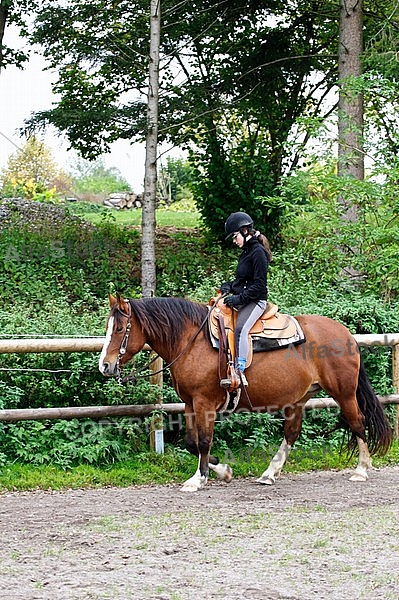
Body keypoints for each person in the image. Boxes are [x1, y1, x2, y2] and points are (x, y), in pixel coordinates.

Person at [220, 211, 272, 386]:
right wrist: (229, 286)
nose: (234, 241)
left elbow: (259, 286)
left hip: (256, 301)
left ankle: (239, 371)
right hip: (246, 298)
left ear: (244, 231)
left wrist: (239, 299)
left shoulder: (258, 252)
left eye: (235, 237)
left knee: (240, 329)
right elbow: (243, 281)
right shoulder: (246, 251)